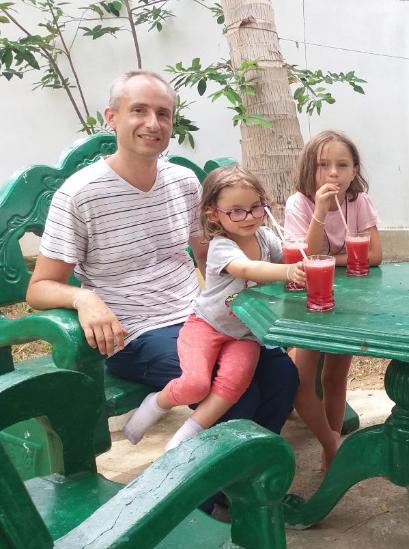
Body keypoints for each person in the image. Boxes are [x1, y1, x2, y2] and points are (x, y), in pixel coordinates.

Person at [25, 70, 298, 447]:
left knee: (283, 372)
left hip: (200, 317)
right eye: (139, 110)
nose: (152, 123)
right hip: (136, 331)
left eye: (163, 113)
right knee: (237, 393)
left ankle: (248, 484)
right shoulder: (79, 195)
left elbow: (210, 258)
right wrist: (83, 297)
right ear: (112, 117)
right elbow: (38, 288)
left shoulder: (183, 182)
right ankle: (209, 497)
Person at [123, 166, 306, 450]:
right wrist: (287, 272)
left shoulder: (267, 239)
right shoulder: (222, 246)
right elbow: (248, 269)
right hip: (206, 326)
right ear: (213, 213)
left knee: (232, 387)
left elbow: (288, 260)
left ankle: (186, 436)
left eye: (256, 207)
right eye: (236, 210)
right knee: (195, 384)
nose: (249, 216)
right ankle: (155, 404)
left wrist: (302, 269)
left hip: (245, 335)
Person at [284, 129, 383, 470]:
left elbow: (375, 255)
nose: (333, 173)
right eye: (323, 165)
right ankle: (329, 440)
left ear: (355, 170)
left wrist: (330, 262)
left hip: (350, 301)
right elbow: (303, 258)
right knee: (300, 381)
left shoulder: (360, 202)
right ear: (309, 168)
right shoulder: (300, 204)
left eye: (342, 165)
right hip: (308, 302)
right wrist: (320, 213)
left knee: (335, 377)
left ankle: (332, 449)